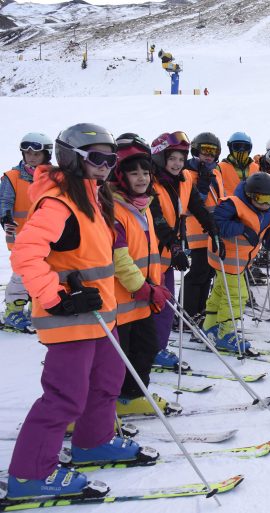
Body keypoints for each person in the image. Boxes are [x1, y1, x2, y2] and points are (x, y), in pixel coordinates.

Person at [5, 123, 157, 501]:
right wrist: (57, 297)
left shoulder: (94, 197)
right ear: (73, 158)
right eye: (97, 158)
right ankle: (30, 476)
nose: (106, 165)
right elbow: (26, 253)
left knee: (106, 381)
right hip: (70, 315)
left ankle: (93, 441)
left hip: (100, 314)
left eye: (110, 158)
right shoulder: (58, 201)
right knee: (65, 396)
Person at [109, 133, 175, 416]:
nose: (141, 178)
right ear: (121, 176)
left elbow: (148, 252)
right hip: (121, 301)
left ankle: (133, 395)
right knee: (117, 358)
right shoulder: (113, 208)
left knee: (145, 349)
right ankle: (108, 402)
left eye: (145, 172)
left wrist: (155, 285)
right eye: (133, 173)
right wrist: (145, 287)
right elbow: (119, 258)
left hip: (143, 299)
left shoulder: (144, 206)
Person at [149, 131, 218, 370]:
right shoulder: (150, 183)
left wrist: (213, 228)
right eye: (172, 159)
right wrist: (175, 246)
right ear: (160, 159)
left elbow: (197, 207)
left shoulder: (185, 179)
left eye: (181, 158)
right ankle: (147, 349)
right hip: (150, 255)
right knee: (152, 306)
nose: (178, 164)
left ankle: (158, 347)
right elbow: (157, 219)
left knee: (165, 305)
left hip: (167, 255)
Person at [204, 173, 270, 352]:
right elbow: (216, 223)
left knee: (220, 291)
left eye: (269, 198)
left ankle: (210, 326)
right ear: (250, 195)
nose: (265, 204)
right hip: (227, 258)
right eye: (260, 198)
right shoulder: (232, 204)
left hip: (242, 259)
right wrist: (242, 229)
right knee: (237, 296)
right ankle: (226, 333)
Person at [1, 132, 54, 333]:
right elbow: (5, 201)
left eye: (36, 153)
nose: (31, 157)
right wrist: (6, 218)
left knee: (44, 273)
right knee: (22, 274)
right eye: (27, 153)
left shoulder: (53, 176)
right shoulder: (13, 177)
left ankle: (37, 307)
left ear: (46, 155)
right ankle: (13, 310)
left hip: (47, 237)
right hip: (21, 236)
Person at [181, 132, 222, 322]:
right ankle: (186, 313)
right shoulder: (188, 173)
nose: (208, 155)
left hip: (213, 231)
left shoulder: (215, 172)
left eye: (212, 152)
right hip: (197, 232)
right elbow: (187, 206)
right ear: (196, 150)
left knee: (208, 273)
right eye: (204, 151)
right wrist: (202, 187)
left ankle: (200, 309)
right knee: (197, 273)